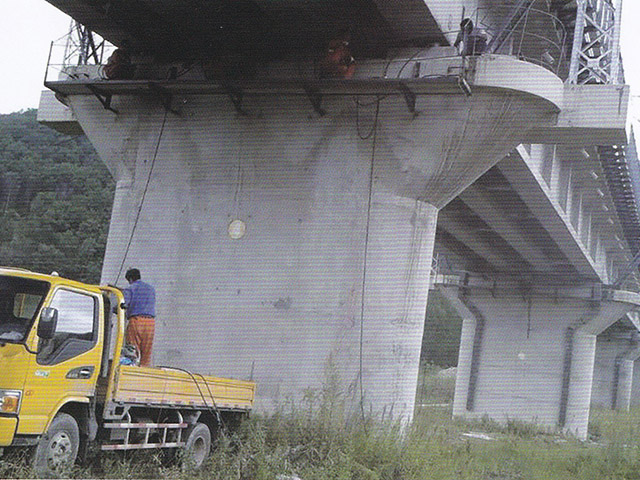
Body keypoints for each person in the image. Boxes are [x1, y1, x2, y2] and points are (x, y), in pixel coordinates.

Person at [123, 268, 156, 367]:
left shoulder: (130, 289)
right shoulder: (151, 289)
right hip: (150, 322)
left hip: (136, 321)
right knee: (146, 349)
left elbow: (124, 304)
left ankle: (131, 368)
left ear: (130, 279)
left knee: (132, 349)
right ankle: (144, 368)